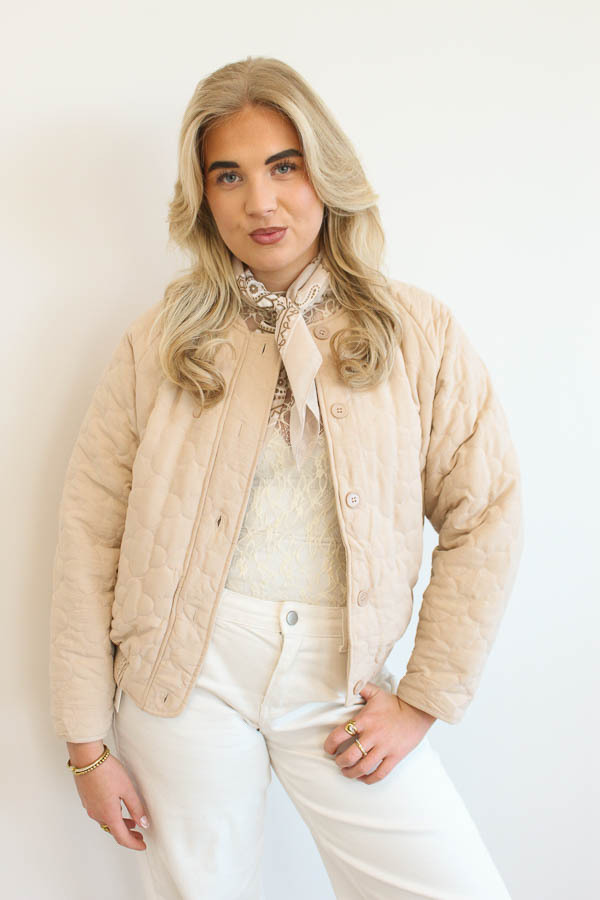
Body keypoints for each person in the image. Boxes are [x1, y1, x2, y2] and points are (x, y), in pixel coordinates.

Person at [49, 56, 524, 900]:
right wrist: (86, 746)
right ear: (203, 196)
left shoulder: (416, 332)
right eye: (228, 175)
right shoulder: (160, 343)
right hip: (182, 676)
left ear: (325, 172)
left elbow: (485, 511)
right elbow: (91, 534)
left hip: (340, 683)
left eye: (284, 166)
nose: (259, 202)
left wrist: (422, 698)